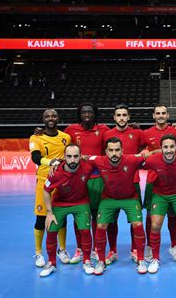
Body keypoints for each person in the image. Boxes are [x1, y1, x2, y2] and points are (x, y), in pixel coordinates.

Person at [88, 138, 149, 275]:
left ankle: (141, 259)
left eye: (117, 150)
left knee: (138, 224)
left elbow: (149, 156)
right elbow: (82, 158)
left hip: (130, 198)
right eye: (111, 150)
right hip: (109, 199)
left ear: (122, 151)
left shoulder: (132, 160)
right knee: (100, 226)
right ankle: (101, 261)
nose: (114, 153)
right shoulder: (98, 161)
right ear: (106, 152)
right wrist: (57, 164)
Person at [143, 134, 176, 273]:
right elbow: (137, 162)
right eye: (165, 147)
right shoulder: (153, 160)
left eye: (172, 147)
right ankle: (155, 258)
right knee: (155, 226)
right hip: (159, 195)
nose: (169, 150)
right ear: (161, 148)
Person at [63, 103, 110, 264]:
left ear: (95, 114)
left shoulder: (103, 129)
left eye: (90, 111)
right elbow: (58, 141)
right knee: (79, 216)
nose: (87, 114)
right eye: (84, 112)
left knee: (97, 216)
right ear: (79, 114)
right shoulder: (70, 130)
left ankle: (97, 248)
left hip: (97, 179)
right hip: (78, 179)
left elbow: (118, 138)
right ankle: (80, 249)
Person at [39, 144, 95, 277]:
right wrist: (49, 212)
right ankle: (51, 263)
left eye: (76, 156)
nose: (72, 160)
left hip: (81, 202)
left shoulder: (87, 167)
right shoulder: (55, 173)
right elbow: (46, 191)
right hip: (60, 204)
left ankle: (87, 261)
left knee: (85, 231)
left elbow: (103, 162)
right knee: (51, 230)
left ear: (80, 156)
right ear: (64, 157)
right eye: (69, 156)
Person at [142, 105, 176, 262]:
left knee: (172, 215)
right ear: (153, 116)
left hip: (173, 179)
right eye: (157, 113)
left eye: (163, 113)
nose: (160, 115)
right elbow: (140, 153)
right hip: (153, 180)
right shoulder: (146, 134)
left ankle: (174, 245)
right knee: (150, 216)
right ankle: (149, 246)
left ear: (168, 115)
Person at [29, 109, 71, 268]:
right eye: (47, 116)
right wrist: (51, 162)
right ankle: (39, 252)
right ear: (43, 119)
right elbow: (35, 158)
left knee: (62, 216)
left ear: (58, 118)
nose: (51, 118)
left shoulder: (65, 137)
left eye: (53, 116)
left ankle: (62, 249)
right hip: (43, 181)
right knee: (41, 218)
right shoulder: (36, 137)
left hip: (62, 182)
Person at [104, 104, 146, 262]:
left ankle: (135, 250)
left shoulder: (137, 133)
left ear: (128, 117)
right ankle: (113, 251)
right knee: (111, 220)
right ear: (114, 118)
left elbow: (150, 145)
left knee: (135, 220)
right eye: (118, 115)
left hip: (133, 182)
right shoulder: (107, 134)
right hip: (111, 183)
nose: (121, 118)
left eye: (124, 115)